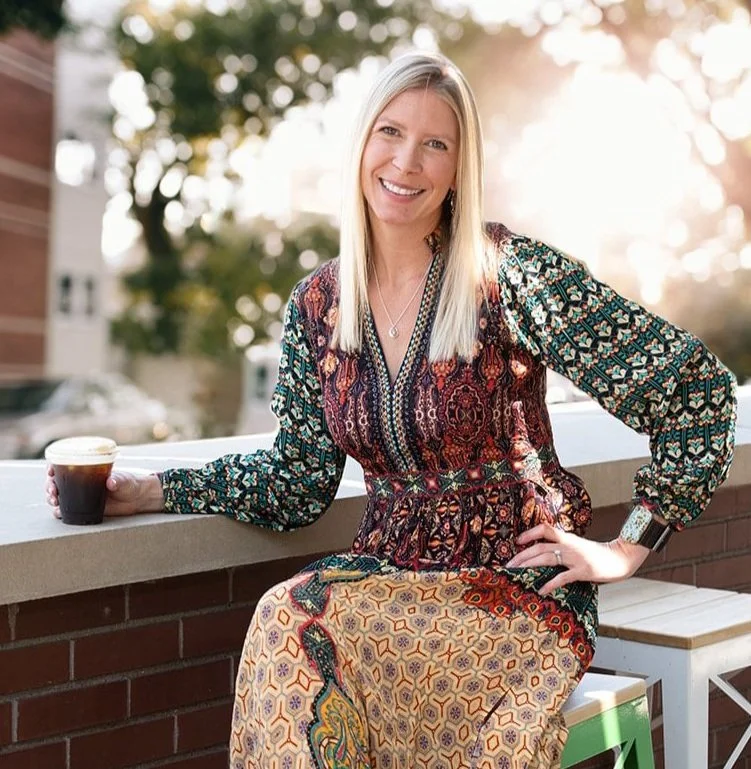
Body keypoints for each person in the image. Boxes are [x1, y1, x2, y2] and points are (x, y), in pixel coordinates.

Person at [46, 51, 737, 768]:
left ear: (458, 167)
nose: (407, 161)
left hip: (511, 589)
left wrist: (625, 547)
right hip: (386, 577)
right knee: (290, 617)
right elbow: (296, 478)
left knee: (305, 623)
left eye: (435, 143)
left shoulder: (508, 273)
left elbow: (697, 393)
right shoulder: (317, 304)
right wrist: (153, 489)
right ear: (361, 144)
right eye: (390, 132)